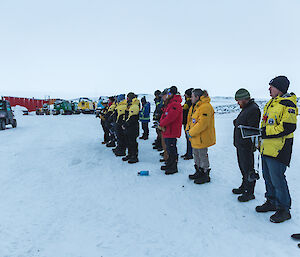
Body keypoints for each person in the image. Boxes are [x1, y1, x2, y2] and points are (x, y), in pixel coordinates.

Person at [256, 76, 298, 223]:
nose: (269, 89)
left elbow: (288, 127)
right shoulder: (272, 103)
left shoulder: (288, 104)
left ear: (279, 88)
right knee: (267, 177)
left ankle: (284, 209)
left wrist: (265, 132)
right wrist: (260, 139)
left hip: (279, 149)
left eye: (271, 87)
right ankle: (272, 202)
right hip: (266, 147)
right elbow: (265, 124)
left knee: (278, 179)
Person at [232, 88, 261, 202]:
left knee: (248, 168)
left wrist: (239, 124)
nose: (237, 103)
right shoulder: (247, 108)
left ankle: (250, 192)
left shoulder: (253, 109)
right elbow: (242, 121)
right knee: (243, 167)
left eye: (238, 100)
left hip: (246, 146)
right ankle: (244, 186)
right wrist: (237, 122)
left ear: (244, 99)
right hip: (241, 145)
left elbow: (252, 128)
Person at [186, 89, 215, 184]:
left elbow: (202, 124)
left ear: (197, 97)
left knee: (202, 156)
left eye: (192, 96)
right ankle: (199, 171)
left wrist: (191, 132)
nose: (191, 98)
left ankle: (205, 174)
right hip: (195, 137)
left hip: (202, 137)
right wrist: (188, 130)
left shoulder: (205, 107)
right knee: (196, 155)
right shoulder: (196, 106)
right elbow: (191, 120)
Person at [159, 86, 183, 175]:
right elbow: (164, 115)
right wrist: (161, 122)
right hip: (168, 130)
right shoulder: (170, 103)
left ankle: (173, 167)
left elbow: (170, 117)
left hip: (172, 131)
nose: (164, 97)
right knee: (169, 149)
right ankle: (169, 164)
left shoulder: (175, 104)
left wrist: (161, 123)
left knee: (172, 149)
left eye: (166, 94)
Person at [122, 93, 140, 163]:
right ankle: (130, 154)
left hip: (133, 127)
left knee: (132, 142)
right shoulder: (130, 105)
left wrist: (126, 124)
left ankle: (134, 156)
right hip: (129, 127)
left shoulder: (135, 106)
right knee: (128, 142)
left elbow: (133, 118)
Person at [181, 88, 194, 160]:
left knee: (189, 139)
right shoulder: (188, 102)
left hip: (188, 123)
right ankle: (188, 153)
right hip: (186, 122)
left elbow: (184, 110)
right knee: (188, 138)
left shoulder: (189, 102)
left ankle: (189, 154)